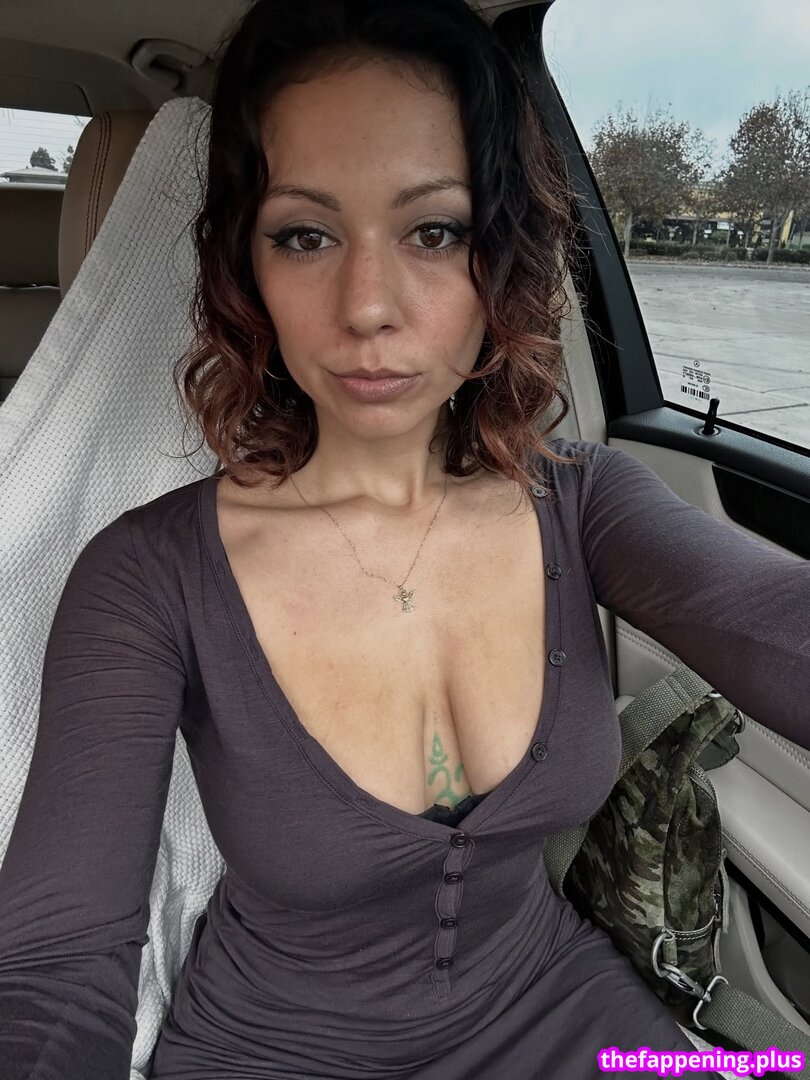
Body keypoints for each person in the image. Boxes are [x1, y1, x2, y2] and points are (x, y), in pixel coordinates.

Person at [0, 1, 808, 1077]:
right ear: (246, 267)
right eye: (305, 235)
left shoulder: (584, 502)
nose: (368, 306)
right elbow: (55, 970)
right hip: (271, 1051)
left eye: (435, 232)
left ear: (501, 256)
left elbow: (783, 630)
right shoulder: (147, 578)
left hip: (556, 1006)